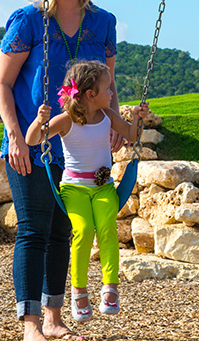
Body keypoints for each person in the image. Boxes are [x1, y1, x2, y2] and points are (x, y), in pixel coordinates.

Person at [0, 0, 122, 341]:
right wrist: (15, 136)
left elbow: (109, 84)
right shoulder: (28, 20)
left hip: (78, 147)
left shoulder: (103, 23)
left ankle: (53, 318)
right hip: (33, 142)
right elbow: (3, 84)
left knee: (62, 231)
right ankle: (31, 324)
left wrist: (116, 123)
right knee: (34, 227)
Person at [25, 60, 148, 323]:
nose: (112, 93)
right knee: (83, 230)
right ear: (91, 95)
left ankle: (110, 287)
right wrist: (39, 121)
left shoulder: (107, 117)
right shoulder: (66, 121)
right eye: (108, 89)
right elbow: (32, 140)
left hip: (103, 187)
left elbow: (131, 135)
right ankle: (78, 291)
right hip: (74, 189)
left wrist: (137, 118)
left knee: (106, 228)